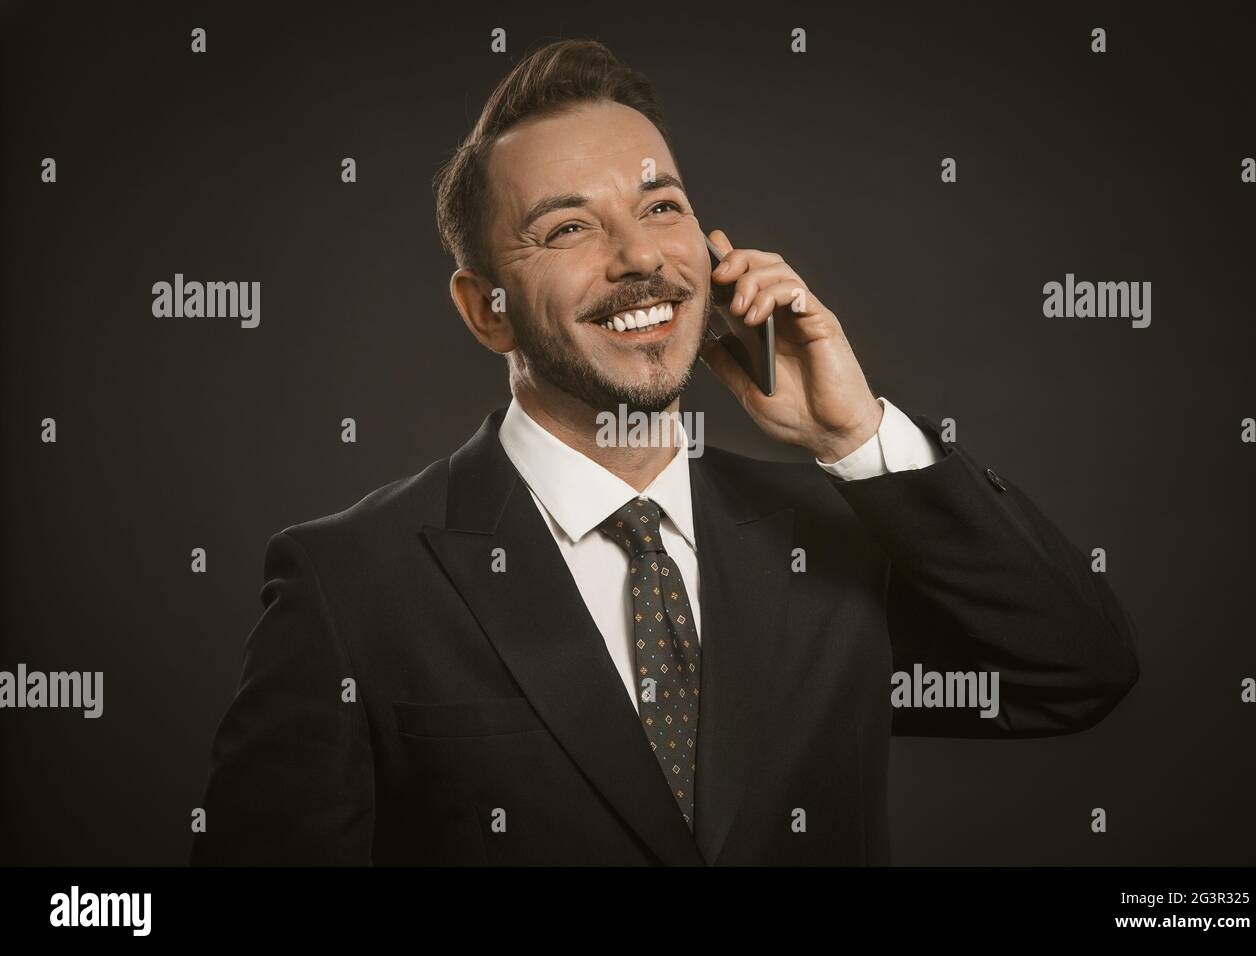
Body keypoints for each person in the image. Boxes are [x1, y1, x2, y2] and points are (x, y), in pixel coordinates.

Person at [190, 38, 1138, 866]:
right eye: (567, 227)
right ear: (487, 310)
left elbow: (1075, 669)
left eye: (661, 206)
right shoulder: (351, 585)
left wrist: (854, 438)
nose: (640, 258)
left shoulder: (829, 540)